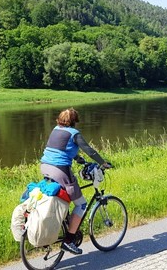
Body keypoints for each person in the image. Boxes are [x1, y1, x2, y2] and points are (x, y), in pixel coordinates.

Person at [40, 108, 112, 255]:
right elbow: (90, 150)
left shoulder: (55, 130)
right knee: (81, 204)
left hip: (45, 167)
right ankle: (69, 240)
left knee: (62, 197)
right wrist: (103, 163)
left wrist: (77, 158)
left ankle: (62, 225)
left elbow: (60, 148)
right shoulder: (74, 133)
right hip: (60, 170)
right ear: (74, 121)